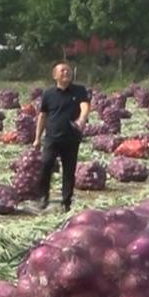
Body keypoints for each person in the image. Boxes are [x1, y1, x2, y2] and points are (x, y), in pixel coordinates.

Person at [34, 61, 91, 212]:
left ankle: (66, 202)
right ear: (55, 76)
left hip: (71, 138)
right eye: (63, 71)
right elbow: (42, 115)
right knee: (46, 165)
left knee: (69, 171)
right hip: (52, 137)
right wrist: (37, 138)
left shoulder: (79, 91)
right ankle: (43, 196)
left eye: (68, 71)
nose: (66, 73)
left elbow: (84, 106)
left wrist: (82, 119)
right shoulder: (48, 93)